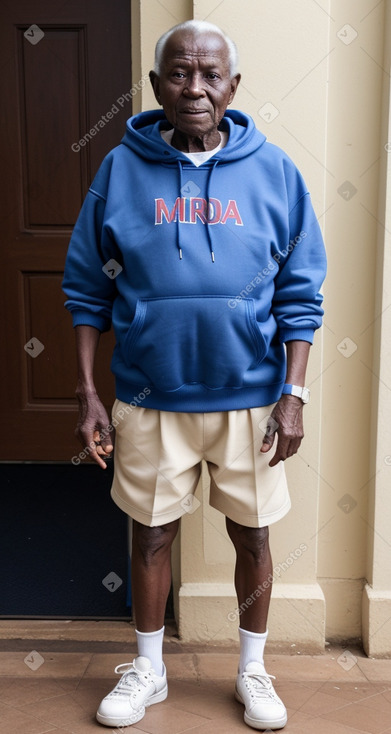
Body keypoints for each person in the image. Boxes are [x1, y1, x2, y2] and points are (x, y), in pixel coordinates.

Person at [63, 19, 326, 731]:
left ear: (233, 87)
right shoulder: (119, 170)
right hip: (148, 396)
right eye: (179, 73)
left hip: (251, 401)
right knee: (149, 535)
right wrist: (89, 394)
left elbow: (302, 296)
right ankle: (147, 669)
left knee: (254, 537)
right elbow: (86, 290)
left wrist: (292, 397)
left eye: (211, 74)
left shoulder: (275, 174)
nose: (195, 87)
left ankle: (251, 669)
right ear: (156, 86)